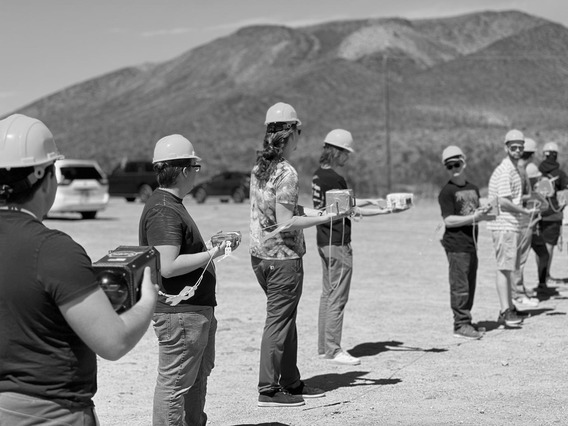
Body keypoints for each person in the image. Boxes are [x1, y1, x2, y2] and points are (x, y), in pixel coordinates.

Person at [0, 114, 157, 425]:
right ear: (46, 177)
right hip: (51, 413)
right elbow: (113, 341)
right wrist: (148, 298)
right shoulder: (54, 250)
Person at [250, 102, 346, 408]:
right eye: (299, 132)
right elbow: (285, 221)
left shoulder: (260, 168)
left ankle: (290, 381)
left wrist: (318, 212)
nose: (300, 139)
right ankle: (268, 389)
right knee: (278, 322)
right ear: (290, 134)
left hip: (261, 257)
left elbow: (283, 210)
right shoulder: (287, 172)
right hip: (284, 260)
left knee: (285, 319)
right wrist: (326, 218)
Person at [139, 134, 227, 426]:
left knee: (192, 380)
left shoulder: (168, 204)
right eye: (195, 166)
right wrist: (213, 253)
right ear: (185, 170)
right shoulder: (164, 209)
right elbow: (168, 265)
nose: (197, 173)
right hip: (180, 316)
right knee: (175, 385)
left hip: (191, 313)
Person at [312, 129, 393, 364]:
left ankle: (323, 346)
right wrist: (386, 210)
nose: (347, 157)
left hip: (324, 241)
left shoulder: (319, 176)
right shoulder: (336, 179)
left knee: (327, 295)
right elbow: (350, 210)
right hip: (338, 243)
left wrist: (371, 201)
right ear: (336, 152)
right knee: (338, 296)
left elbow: (343, 204)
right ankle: (333, 349)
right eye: (345, 152)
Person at [438, 146, 494, 339]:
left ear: (464, 162)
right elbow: (448, 220)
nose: (454, 167)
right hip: (456, 245)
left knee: (470, 283)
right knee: (460, 285)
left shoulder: (473, 188)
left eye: (457, 163)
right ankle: (460, 324)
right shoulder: (447, 192)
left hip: (472, 244)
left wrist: (485, 214)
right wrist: (474, 217)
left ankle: (466, 321)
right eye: (450, 165)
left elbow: (476, 214)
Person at [487, 129, 538, 327]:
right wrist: (526, 212)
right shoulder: (506, 170)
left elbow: (513, 199)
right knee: (504, 268)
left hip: (512, 224)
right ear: (506, 147)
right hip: (504, 225)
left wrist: (528, 204)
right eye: (513, 147)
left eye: (520, 147)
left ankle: (510, 307)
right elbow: (504, 202)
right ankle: (505, 311)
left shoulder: (515, 168)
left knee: (508, 269)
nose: (517, 150)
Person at [535, 141, 568, 295]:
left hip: (537, 214)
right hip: (553, 215)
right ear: (555, 155)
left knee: (539, 248)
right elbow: (563, 198)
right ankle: (544, 280)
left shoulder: (536, 172)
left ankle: (541, 278)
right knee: (548, 247)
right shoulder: (560, 174)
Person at [511, 138, 540, 308]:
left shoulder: (517, 169)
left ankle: (518, 290)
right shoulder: (524, 170)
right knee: (519, 259)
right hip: (523, 217)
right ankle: (518, 293)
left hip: (520, 217)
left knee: (517, 258)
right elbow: (518, 196)